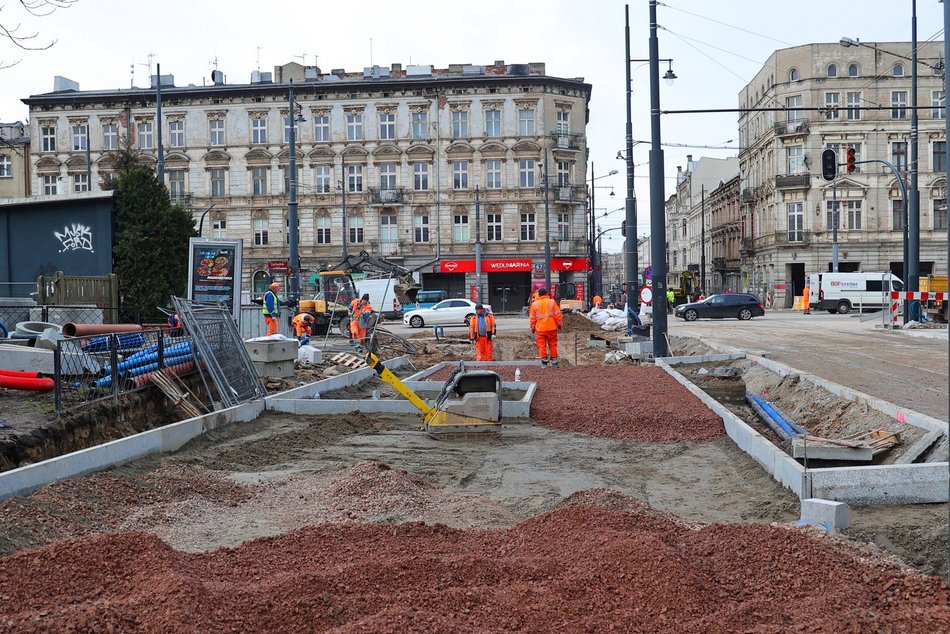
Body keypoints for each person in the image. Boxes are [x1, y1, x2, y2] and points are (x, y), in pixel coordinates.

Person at [529, 288, 563, 366]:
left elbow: (532, 319)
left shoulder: (534, 304)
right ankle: (554, 361)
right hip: (552, 328)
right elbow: (558, 315)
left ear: (539, 295)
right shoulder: (552, 302)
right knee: (553, 344)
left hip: (540, 329)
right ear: (547, 294)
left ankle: (544, 361)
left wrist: (532, 329)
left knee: (541, 345)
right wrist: (560, 325)